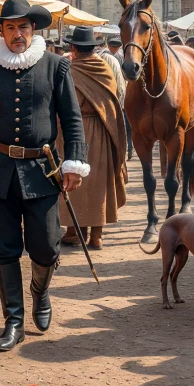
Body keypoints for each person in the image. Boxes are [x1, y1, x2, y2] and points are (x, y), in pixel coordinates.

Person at [0, 0, 87, 353]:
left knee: (45, 246)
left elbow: (72, 122)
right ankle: (13, 321)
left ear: (33, 30)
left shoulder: (55, 66)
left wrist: (74, 162)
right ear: (1, 30)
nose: (17, 34)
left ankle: (40, 292)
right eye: (10, 27)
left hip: (42, 170)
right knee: (5, 249)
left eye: (23, 27)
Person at [59, 27, 126, 250]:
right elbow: (112, 102)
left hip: (75, 132)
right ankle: (97, 236)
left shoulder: (69, 70)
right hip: (102, 129)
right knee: (99, 183)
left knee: (73, 180)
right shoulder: (105, 69)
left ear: (74, 48)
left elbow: (65, 103)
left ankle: (74, 233)